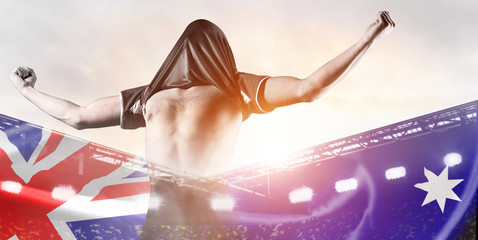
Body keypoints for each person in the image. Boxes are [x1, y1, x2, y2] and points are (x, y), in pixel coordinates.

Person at [10, 11, 395, 238]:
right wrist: (369, 36)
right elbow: (310, 88)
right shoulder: (234, 88)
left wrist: (27, 92)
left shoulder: (150, 98)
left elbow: (74, 115)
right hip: (204, 218)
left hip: (167, 221)